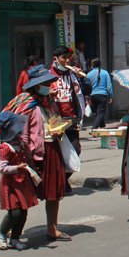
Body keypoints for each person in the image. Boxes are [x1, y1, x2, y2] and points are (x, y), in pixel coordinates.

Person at [4, 65, 75, 241]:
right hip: (31, 154)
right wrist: (26, 157)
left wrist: (60, 129)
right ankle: (10, 230)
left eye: (49, 83)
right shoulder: (25, 104)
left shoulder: (50, 103)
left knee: (54, 193)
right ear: (36, 85)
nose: (49, 87)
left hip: (52, 149)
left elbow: (55, 122)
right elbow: (22, 133)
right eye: (45, 83)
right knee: (23, 195)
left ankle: (52, 228)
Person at [0, 111, 37, 251]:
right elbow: (2, 168)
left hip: (23, 182)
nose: (20, 132)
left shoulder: (21, 144)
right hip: (11, 184)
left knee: (23, 212)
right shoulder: (5, 148)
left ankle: (15, 238)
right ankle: (2, 233)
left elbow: (28, 159)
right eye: (17, 130)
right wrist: (17, 167)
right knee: (15, 212)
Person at [50, 47, 86, 186]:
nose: (66, 61)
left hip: (72, 118)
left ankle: (63, 180)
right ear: (56, 59)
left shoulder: (72, 75)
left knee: (76, 150)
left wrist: (81, 78)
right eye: (63, 58)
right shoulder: (49, 75)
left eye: (68, 58)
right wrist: (48, 93)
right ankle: (60, 183)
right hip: (56, 120)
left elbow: (85, 91)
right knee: (58, 153)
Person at [86, 58, 114, 130]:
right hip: (102, 95)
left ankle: (102, 125)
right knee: (100, 113)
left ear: (91, 65)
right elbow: (109, 86)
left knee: (98, 112)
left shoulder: (88, 74)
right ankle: (94, 128)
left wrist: (87, 97)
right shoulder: (105, 73)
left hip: (93, 96)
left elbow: (86, 86)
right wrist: (111, 96)